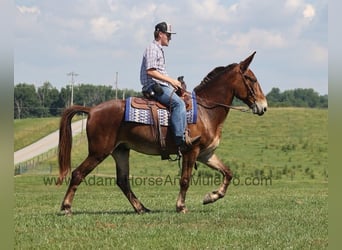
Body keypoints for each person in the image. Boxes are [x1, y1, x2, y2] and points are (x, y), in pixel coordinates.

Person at [140, 21, 200, 152]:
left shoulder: (158, 50)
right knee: (179, 104)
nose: (170, 38)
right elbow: (150, 71)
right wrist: (171, 81)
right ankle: (180, 140)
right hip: (153, 86)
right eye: (168, 35)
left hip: (160, 85)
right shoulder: (152, 48)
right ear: (160, 34)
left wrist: (175, 85)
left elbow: (160, 73)